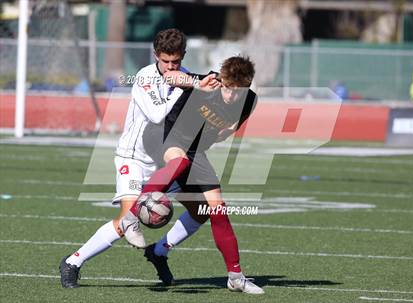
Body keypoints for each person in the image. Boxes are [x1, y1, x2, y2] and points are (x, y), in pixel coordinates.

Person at [59, 28, 218, 288]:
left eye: (175, 62)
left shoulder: (187, 76)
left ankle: (159, 252)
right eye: (165, 61)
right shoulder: (145, 77)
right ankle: (72, 262)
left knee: (202, 210)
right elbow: (157, 114)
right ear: (156, 55)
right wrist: (187, 85)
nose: (170, 67)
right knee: (127, 221)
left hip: (166, 160)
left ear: (182, 56)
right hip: (133, 160)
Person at [122, 55, 265, 294]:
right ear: (222, 80)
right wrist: (196, 83)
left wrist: (217, 134)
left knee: (214, 208)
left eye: (238, 91)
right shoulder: (209, 83)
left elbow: (227, 130)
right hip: (166, 136)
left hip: (195, 150)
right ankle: (131, 214)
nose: (231, 96)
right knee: (180, 162)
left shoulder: (249, 101)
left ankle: (235, 277)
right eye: (228, 89)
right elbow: (169, 76)